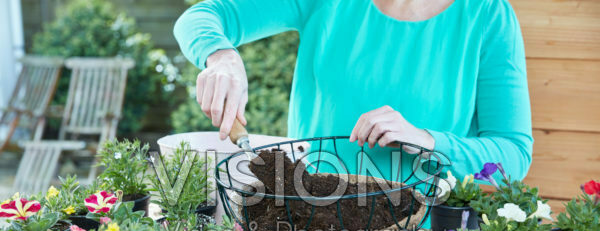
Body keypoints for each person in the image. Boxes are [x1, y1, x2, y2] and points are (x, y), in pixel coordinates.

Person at [174, 0, 532, 182]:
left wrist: (427, 140)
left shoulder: (487, 15)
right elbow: (204, 15)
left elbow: (513, 156)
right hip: (309, 224)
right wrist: (221, 58)